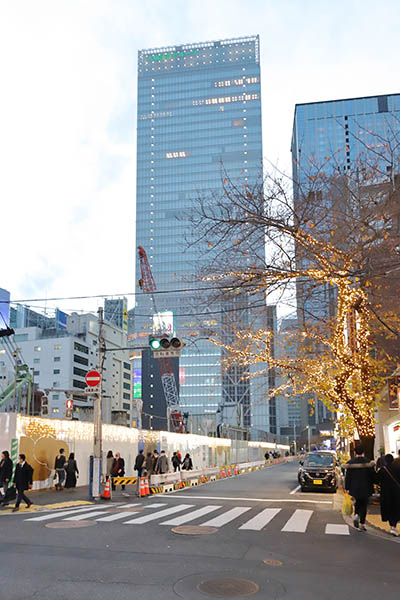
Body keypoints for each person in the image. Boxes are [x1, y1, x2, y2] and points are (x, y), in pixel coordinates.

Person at [345, 445, 375, 531]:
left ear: (355, 452)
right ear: (363, 452)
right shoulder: (368, 462)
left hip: (354, 487)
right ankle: (362, 523)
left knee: (357, 503)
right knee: (364, 505)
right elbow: (372, 475)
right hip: (366, 487)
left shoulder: (351, 463)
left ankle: (356, 515)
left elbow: (348, 476)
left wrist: (347, 487)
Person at [377, 454, 400, 536]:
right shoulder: (398, 468)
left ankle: (392, 526)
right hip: (397, 492)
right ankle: (394, 526)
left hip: (386, 493)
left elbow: (376, 480)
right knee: (396, 508)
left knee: (389, 508)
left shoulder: (383, 470)